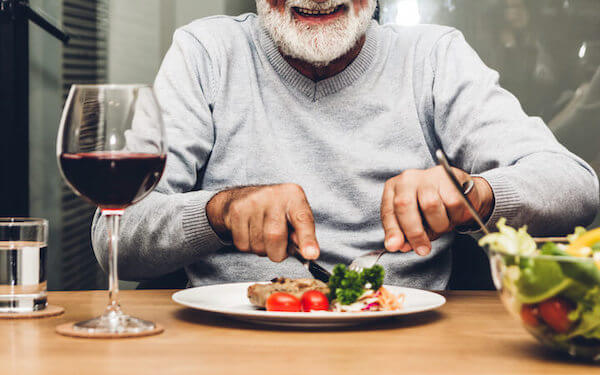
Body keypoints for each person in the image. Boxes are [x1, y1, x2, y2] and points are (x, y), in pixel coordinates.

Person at [92, 0, 598, 289]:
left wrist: (474, 195)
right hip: (229, 348)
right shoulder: (205, 53)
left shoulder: (434, 57)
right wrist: (217, 212)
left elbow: (576, 186)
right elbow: (115, 236)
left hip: (408, 350)